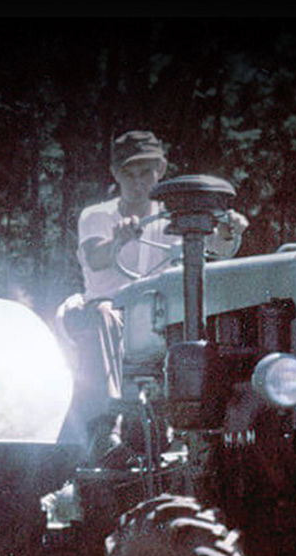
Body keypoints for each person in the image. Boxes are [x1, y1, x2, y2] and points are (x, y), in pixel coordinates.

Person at [56, 130, 248, 458]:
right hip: (103, 312)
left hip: (155, 318)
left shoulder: (176, 219)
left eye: (145, 171)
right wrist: (118, 241)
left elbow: (215, 251)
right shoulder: (98, 216)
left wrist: (230, 234)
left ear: (160, 171)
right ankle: (109, 422)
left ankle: (195, 431)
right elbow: (95, 257)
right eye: (128, 173)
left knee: (202, 323)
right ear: (115, 174)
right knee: (106, 314)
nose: (137, 181)